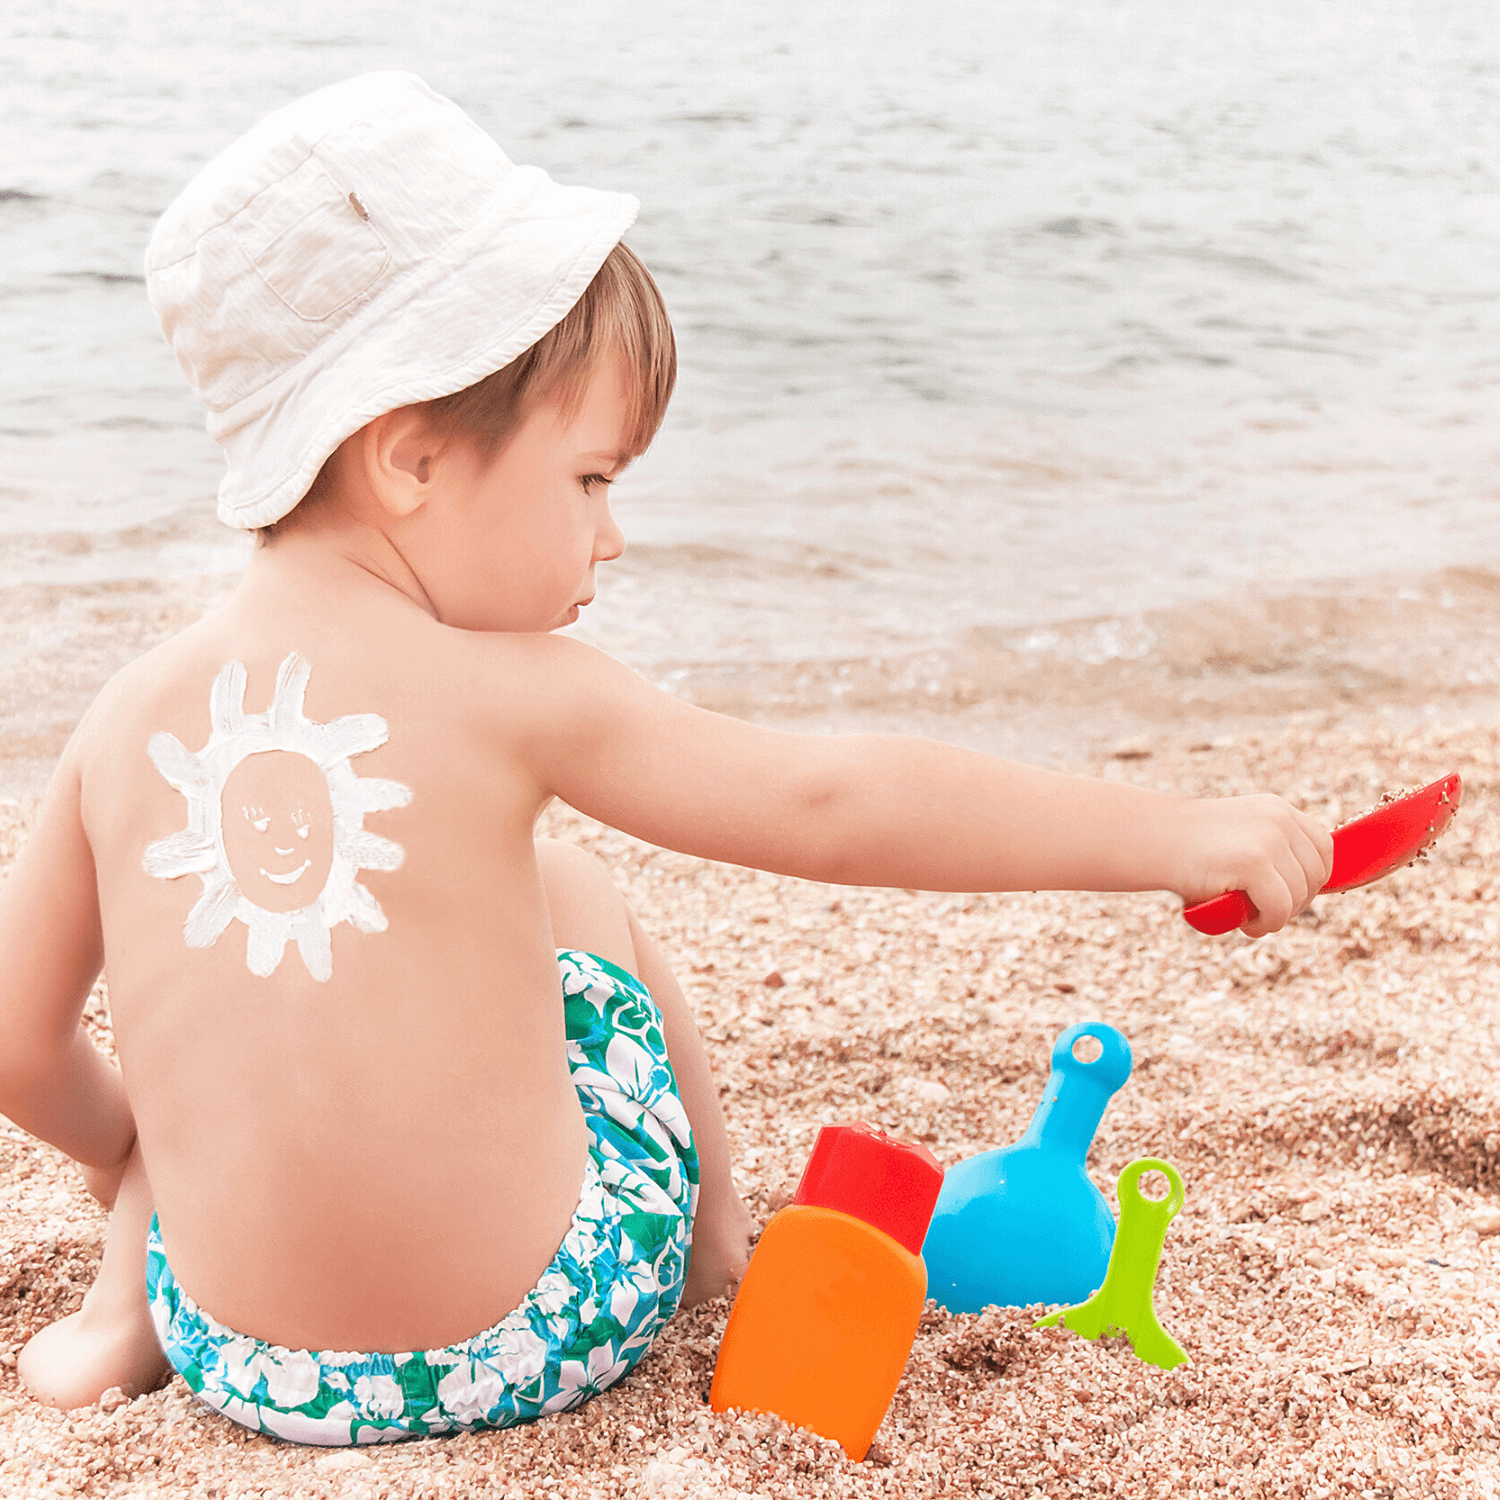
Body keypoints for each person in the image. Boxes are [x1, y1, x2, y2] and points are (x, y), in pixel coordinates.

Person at [0, 73, 1332, 1444]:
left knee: (194, 1057)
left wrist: (139, 1154)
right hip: (528, 1333)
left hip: (247, 1361)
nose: (611, 536)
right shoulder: (512, 693)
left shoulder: (119, 722)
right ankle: (716, 1258)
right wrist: (1170, 836)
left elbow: (16, 1042)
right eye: (592, 480)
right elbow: (830, 805)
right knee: (575, 891)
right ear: (405, 458)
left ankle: (121, 1314)